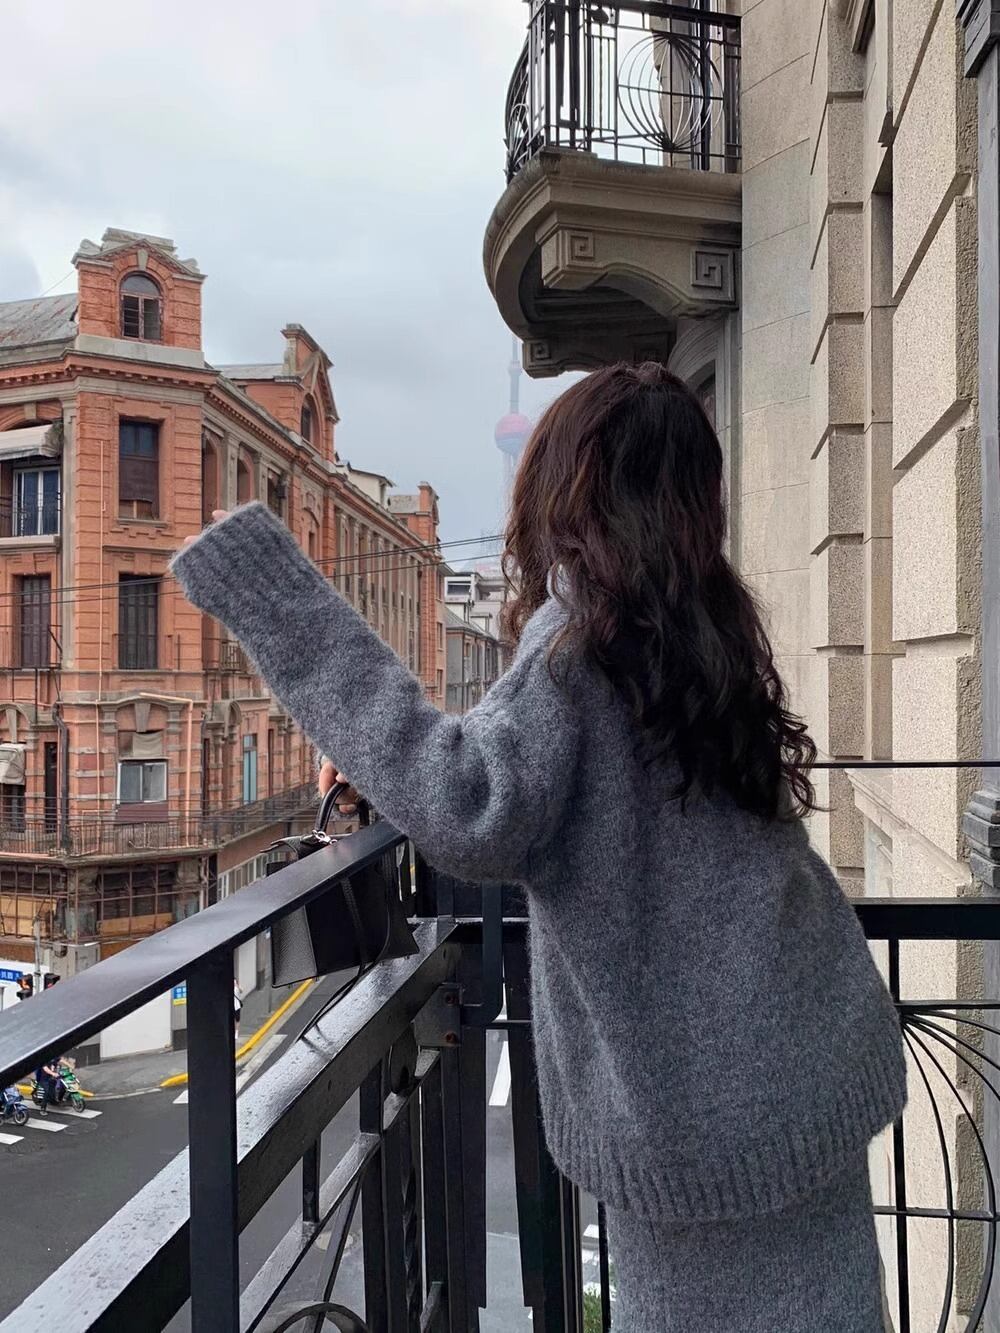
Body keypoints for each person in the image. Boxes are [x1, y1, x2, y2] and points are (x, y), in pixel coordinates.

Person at [173, 363, 906, 1332]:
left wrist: (272, 593)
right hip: (810, 1057)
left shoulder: (577, 644)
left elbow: (467, 804)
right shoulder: (709, 629)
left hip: (696, 1120)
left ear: (565, 489)